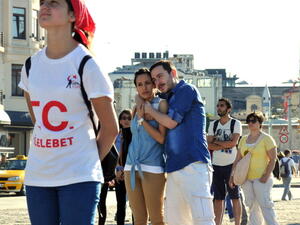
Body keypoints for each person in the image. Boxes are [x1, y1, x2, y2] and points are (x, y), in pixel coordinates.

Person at [18, 1, 119, 224]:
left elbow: (111, 128)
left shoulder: (86, 64)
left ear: (73, 15)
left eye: (53, 3)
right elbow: (39, 122)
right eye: (43, 2)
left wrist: (86, 160)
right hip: (38, 176)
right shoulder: (31, 65)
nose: (45, 7)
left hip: (79, 177)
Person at [144, 60, 215, 225]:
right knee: (176, 221)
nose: (157, 82)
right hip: (174, 167)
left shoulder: (186, 89)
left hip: (194, 164)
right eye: (153, 79)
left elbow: (171, 122)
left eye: (160, 76)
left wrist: (149, 111)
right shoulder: (167, 97)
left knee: (203, 219)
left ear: (173, 73)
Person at [124, 68, 167, 225]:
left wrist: (143, 120)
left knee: (157, 219)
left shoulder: (161, 104)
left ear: (153, 83)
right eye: (140, 84)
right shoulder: (136, 107)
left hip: (153, 166)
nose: (144, 88)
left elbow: (161, 138)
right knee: (139, 219)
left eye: (148, 83)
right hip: (131, 167)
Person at [229, 112, 279, 225]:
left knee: (266, 205)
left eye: (253, 121)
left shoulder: (267, 139)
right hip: (246, 179)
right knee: (252, 207)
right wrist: (232, 176)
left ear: (260, 123)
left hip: (261, 178)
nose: (250, 123)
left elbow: (273, 159)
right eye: (249, 121)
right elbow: (237, 160)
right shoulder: (243, 140)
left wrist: (266, 176)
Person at [207, 98, 242, 225]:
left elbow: (234, 143)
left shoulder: (235, 123)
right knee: (218, 198)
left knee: (235, 197)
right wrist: (225, 145)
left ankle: (237, 223)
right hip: (216, 165)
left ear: (228, 109)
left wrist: (216, 142)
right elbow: (208, 145)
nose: (218, 108)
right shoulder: (213, 125)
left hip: (231, 165)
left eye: (221, 106)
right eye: (218, 106)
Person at [98, 109, 132, 225]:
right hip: (116, 173)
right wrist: (116, 170)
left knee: (134, 204)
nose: (126, 121)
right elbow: (112, 154)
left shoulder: (134, 134)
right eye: (123, 118)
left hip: (130, 171)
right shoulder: (115, 134)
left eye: (129, 118)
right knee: (120, 204)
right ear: (119, 120)